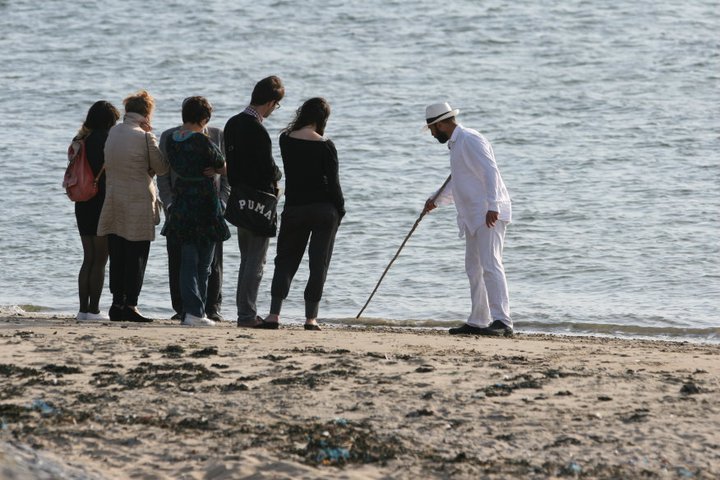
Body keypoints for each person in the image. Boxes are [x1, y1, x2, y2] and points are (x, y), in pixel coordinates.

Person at [422, 102, 513, 336]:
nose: (432, 134)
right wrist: (435, 200)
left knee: (491, 264)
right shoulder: (456, 144)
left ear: (441, 124)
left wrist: (493, 205)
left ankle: (503, 322)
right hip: (472, 216)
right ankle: (478, 320)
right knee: (474, 268)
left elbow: (490, 170)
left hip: (488, 213)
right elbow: (459, 181)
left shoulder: (471, 139)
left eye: (432, 128)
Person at [261, 98, 345, 330]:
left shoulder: (285, 140)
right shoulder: (326, 145)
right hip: (324, 210)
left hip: (295, 208)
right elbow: (334, 185)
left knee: (285, 261)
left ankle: (274, 315)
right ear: (322, 119)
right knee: (318, 264)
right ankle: (310, 319)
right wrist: (341, 209)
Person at [97, 90, 169, 322]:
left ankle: (116, 303)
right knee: (137, 255)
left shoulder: (114, 132)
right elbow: (162, 168)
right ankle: (131, 305)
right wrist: (152, 138)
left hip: (115, 200)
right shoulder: (145, 136)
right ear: (147, 114)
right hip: (138, 203)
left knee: (117, 254)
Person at [158, 98, 230, 323]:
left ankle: (196, 310)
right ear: (203, 119)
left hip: (184, 204)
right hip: (203, 205)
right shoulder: (204, 141)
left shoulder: (172, 139)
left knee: (189, 260)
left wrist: (224, 200)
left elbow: (165, 168)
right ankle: (194, 311)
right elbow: (225, 168)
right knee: (203, 262)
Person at [224, 76, 284, 328]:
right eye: (276, 105)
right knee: (256, 261)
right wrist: (278, 176)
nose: (274, 110)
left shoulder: (232, 123)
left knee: (246, 258)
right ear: (270, 102)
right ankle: (247, 315)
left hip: (239, 197)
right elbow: (267, 167)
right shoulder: (257, 128)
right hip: (259, 200)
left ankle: (244, 311)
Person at [72, 101, 121, 321]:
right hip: (101, 201)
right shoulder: (107, 140)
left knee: (88, 258)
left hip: (82, 201)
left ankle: (83, 310)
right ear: (110, 121)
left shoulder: (79, 140)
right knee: (101, 258)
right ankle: (94, 310)